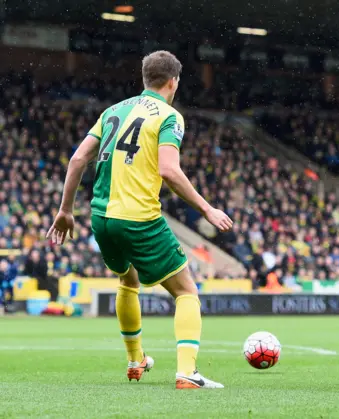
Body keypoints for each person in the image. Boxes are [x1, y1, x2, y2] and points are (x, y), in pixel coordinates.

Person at [47, 51, 233, 390]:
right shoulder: (170, 117)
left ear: (146, 78)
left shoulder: (112, 111)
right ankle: (187, 373)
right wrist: (207, 209)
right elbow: (169, 170)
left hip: (102, 217)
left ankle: (136, 360)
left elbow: (77, 160)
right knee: (187, 291)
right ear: (173, 81)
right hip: (139, 219)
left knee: (127, 281)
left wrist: (65, 210)